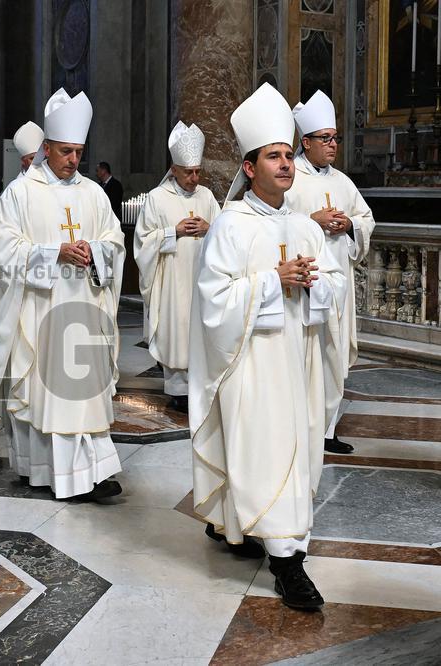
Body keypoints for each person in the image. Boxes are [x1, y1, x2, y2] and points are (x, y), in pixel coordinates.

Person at [189, 83, 346, 611]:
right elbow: (213, 301)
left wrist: (311, 282)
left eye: (287, 155)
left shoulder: (304, 226)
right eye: (273, 156)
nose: (285, 163)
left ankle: (257, 528)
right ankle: (288, 565)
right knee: (265, 449)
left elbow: (334, 286)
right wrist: (270, 282)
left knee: (294, 450)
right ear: (250, 167)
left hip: (296, 362)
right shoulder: (231, 225)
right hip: (251, 363)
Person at [0, 88, 126, 500]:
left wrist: (94, 252)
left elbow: (115, 241)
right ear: (46, 148)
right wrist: (53, 252)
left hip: (85, 308)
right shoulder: (21, 193)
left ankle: (91, 472)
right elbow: (0, 249)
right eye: (64, 151)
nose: (73, 160)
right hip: (40, 310)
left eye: (78, 151)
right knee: (47, 396)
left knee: (84, 395)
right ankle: (41, 468)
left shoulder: (93, 193)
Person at [284, 90, 375, 455]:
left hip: (340, 287)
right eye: (325, 139)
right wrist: (313, 220)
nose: (333, 144)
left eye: (335, 138)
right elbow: (278, 224)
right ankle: (302, 426)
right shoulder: (292, 179)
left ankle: (327, 431)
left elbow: (367, 219)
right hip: (307, 284)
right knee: (307, 357)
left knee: (334, 356)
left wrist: (349, 223)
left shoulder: (342, 182)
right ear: (305, 142)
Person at [133, 122, 221, 413]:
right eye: (188, 172)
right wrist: (174, 232)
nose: (194, 178)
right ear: (174, 169)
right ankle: (178, 390)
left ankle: (200, 384)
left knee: (200, 331)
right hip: (172, 279)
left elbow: (225, 233)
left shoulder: (207, 197)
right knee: (177, 330)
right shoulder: (157, 198)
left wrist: (210, 227)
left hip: (202, 278)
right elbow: (143, 241)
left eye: (198, 171)